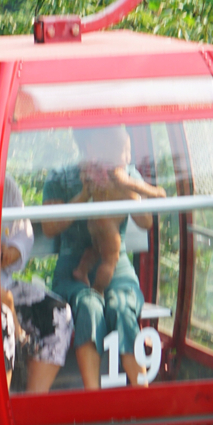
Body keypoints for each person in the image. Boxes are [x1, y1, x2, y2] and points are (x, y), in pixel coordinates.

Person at [43, 128, 161, 388]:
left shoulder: (127, 174)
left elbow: (145, 223)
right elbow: (50, 227)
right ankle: (93, 394)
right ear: (90, 144)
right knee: (90, 305)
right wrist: (84, 195)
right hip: (73, 269)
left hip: (116, 268)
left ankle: (142, 392)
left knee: (121, 306)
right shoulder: (60, 177)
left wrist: (124, 188)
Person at [0, 176, 72, 393]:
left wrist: (3, 252)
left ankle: (32, 400)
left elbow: (20, 240)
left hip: (4, 284)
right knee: (3, 320)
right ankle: (1, 409)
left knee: (58, 314)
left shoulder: (5, 186)